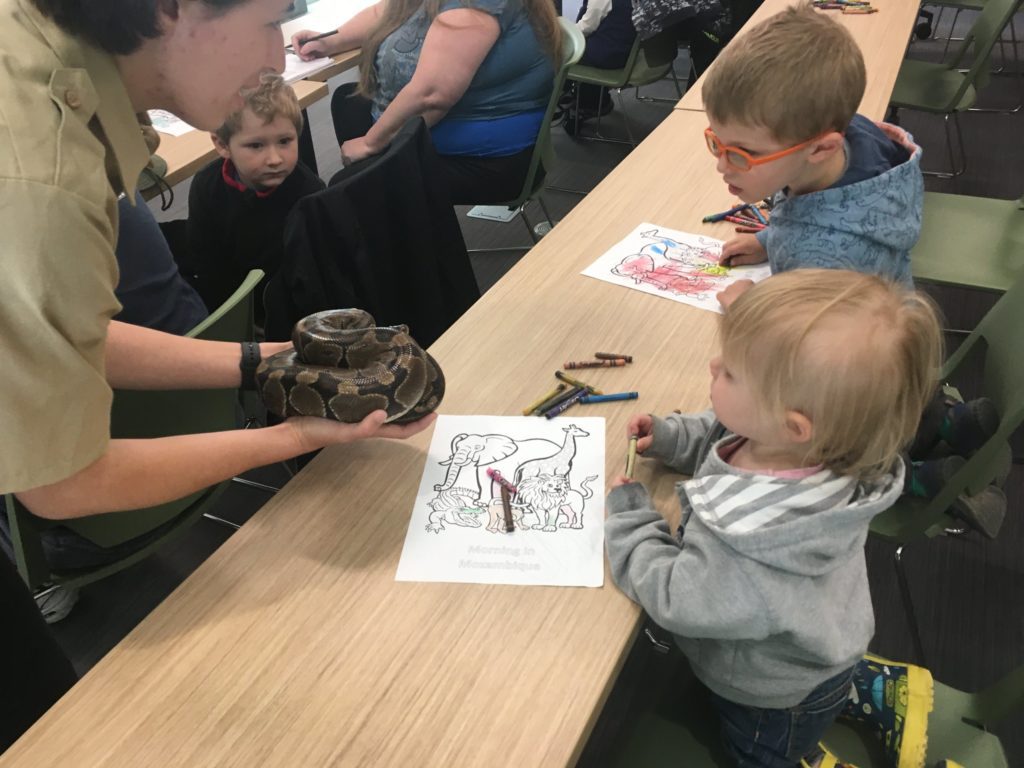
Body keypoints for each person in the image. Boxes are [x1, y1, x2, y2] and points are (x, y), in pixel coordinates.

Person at [0, 0, 433, 750]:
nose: (280, 52)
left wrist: (258, 359)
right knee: (39, 727)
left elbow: (68, 338)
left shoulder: (50, 66)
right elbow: (63, 481)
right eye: (272, 19)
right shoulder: (39, 176)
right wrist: (291, 433)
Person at [605, 269, 943, 767]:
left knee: (762, 756)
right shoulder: (812, 446)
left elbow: (679, 598)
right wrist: (672, 436)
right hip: (813, 640)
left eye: (732, 374)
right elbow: (724, 435)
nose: (713, 364)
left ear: (793, 425)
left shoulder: (753, 543)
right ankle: (865, 686)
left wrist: (634, 521)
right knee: (818, 680)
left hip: (771, 703)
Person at [700, 3, 922, 300]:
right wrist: (768, 240)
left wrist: (744, 309)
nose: (722, 167)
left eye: (742, 153)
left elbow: (807, 343)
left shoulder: (824, 259)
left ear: (820, 149)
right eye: (717, 143)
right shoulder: (849, 142)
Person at [291, 0, 562, 205]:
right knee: (349, 102)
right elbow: (390, 11)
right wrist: (331, 40)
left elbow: (432, 95)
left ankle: (403, 236)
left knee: (348, 189)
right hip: (455, 126)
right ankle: (399, 221)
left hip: (491, 159)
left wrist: (370, 144)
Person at [185, 73, 325, 323]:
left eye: (285, 141)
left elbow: (314, 277)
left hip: (291, 313)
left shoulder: (309, 193)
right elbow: (207, 266)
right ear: (222, 145)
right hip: (232, 308)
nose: (274, 159)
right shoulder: (206, 187)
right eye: (256, 146)